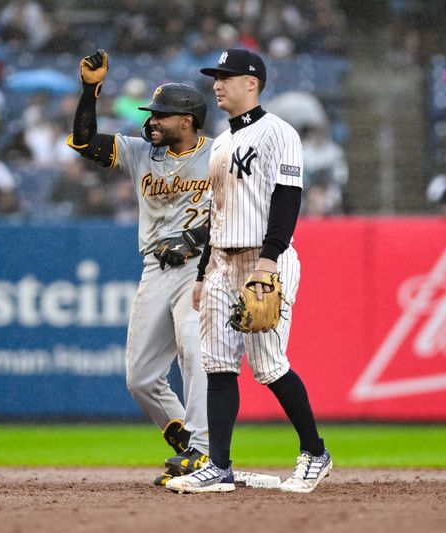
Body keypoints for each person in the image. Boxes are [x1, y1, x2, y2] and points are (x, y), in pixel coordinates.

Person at [166, 49, 331, 494]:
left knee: (268, 365)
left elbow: (287, 201)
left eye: (226, 76)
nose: (217, 84)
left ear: (252, 82)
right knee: (217, 364)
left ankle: (315, 453)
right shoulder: (221, 140)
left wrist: (268, 261)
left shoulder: (280, 133)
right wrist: (202, 272)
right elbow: (216, 212)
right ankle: (218, 466)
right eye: (216, 77)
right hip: (221, 262)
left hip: (265, 260)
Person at [67, 49, 211, 485]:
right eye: (152, 114)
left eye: (162, 115)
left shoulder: (219, 156)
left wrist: (195, 239)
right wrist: (90, 91)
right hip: (155, 267)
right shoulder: (139, 153)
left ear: (186, 120)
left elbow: (241, 212)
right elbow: (83, 141)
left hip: (198, 267)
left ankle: (204, 451)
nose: (152, 121)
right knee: (141, 377)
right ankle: (188, 445)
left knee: (193, 344)